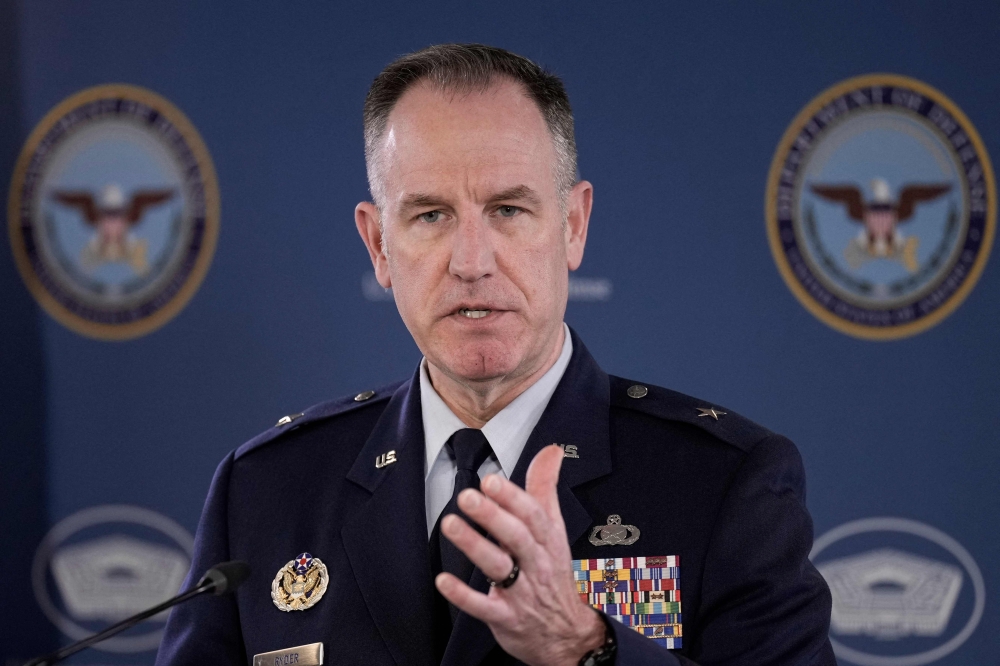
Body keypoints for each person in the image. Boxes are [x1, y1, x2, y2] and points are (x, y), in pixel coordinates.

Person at [157, 44, 834, 666]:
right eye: (429, 215)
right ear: (378, 246)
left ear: (573, 227)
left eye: (509, 210)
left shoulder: (721, 482)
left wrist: (587, 647)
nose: (472, 263)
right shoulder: (266, 490)